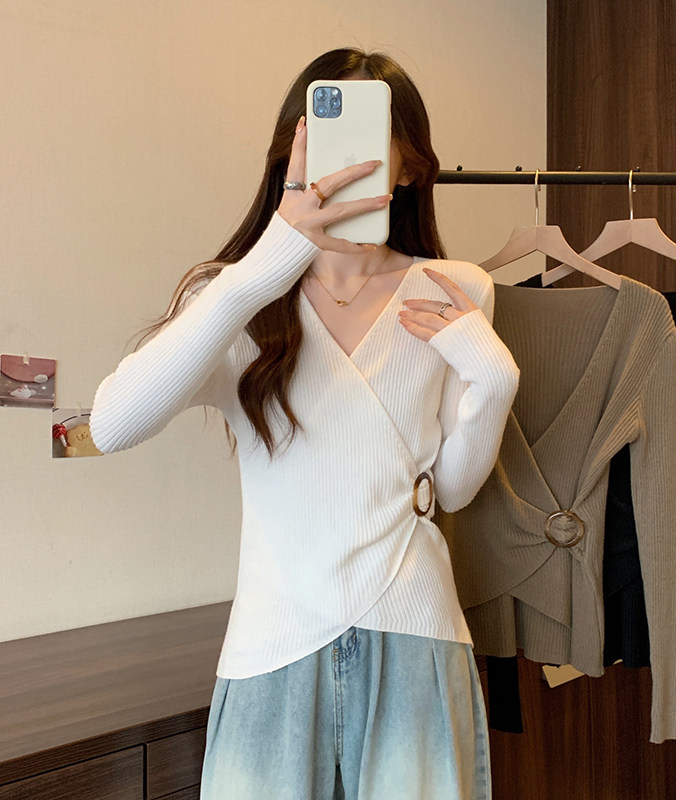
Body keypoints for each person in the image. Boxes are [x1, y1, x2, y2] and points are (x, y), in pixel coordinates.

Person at [90, 48, 519, 800]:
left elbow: (449, 491)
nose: (343, 158)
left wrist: (495, 378)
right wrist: (264, 266)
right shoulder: (235, 296)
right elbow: (113, 423)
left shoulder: (456, 290)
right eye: (323, 132)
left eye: (370, 131)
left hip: (414, 633)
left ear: (408, 165)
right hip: (273, 644)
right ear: (291, 151)